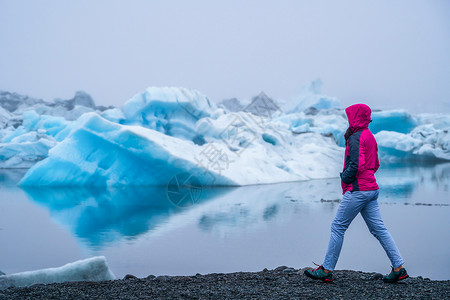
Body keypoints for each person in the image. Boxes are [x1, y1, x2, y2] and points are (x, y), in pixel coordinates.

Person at [304, 103, 408, 283]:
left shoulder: (356, 137)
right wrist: (364, 178)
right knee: (379, 229)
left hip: (358, 190)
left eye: (350, 116)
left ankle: (326, 270)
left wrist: (345, 178)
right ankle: (398, 267)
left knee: (338, 227)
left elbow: (356, 164)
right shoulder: (370, 136)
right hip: (371, 189)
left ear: (355, 117)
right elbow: (375, 164)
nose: (348, 119)